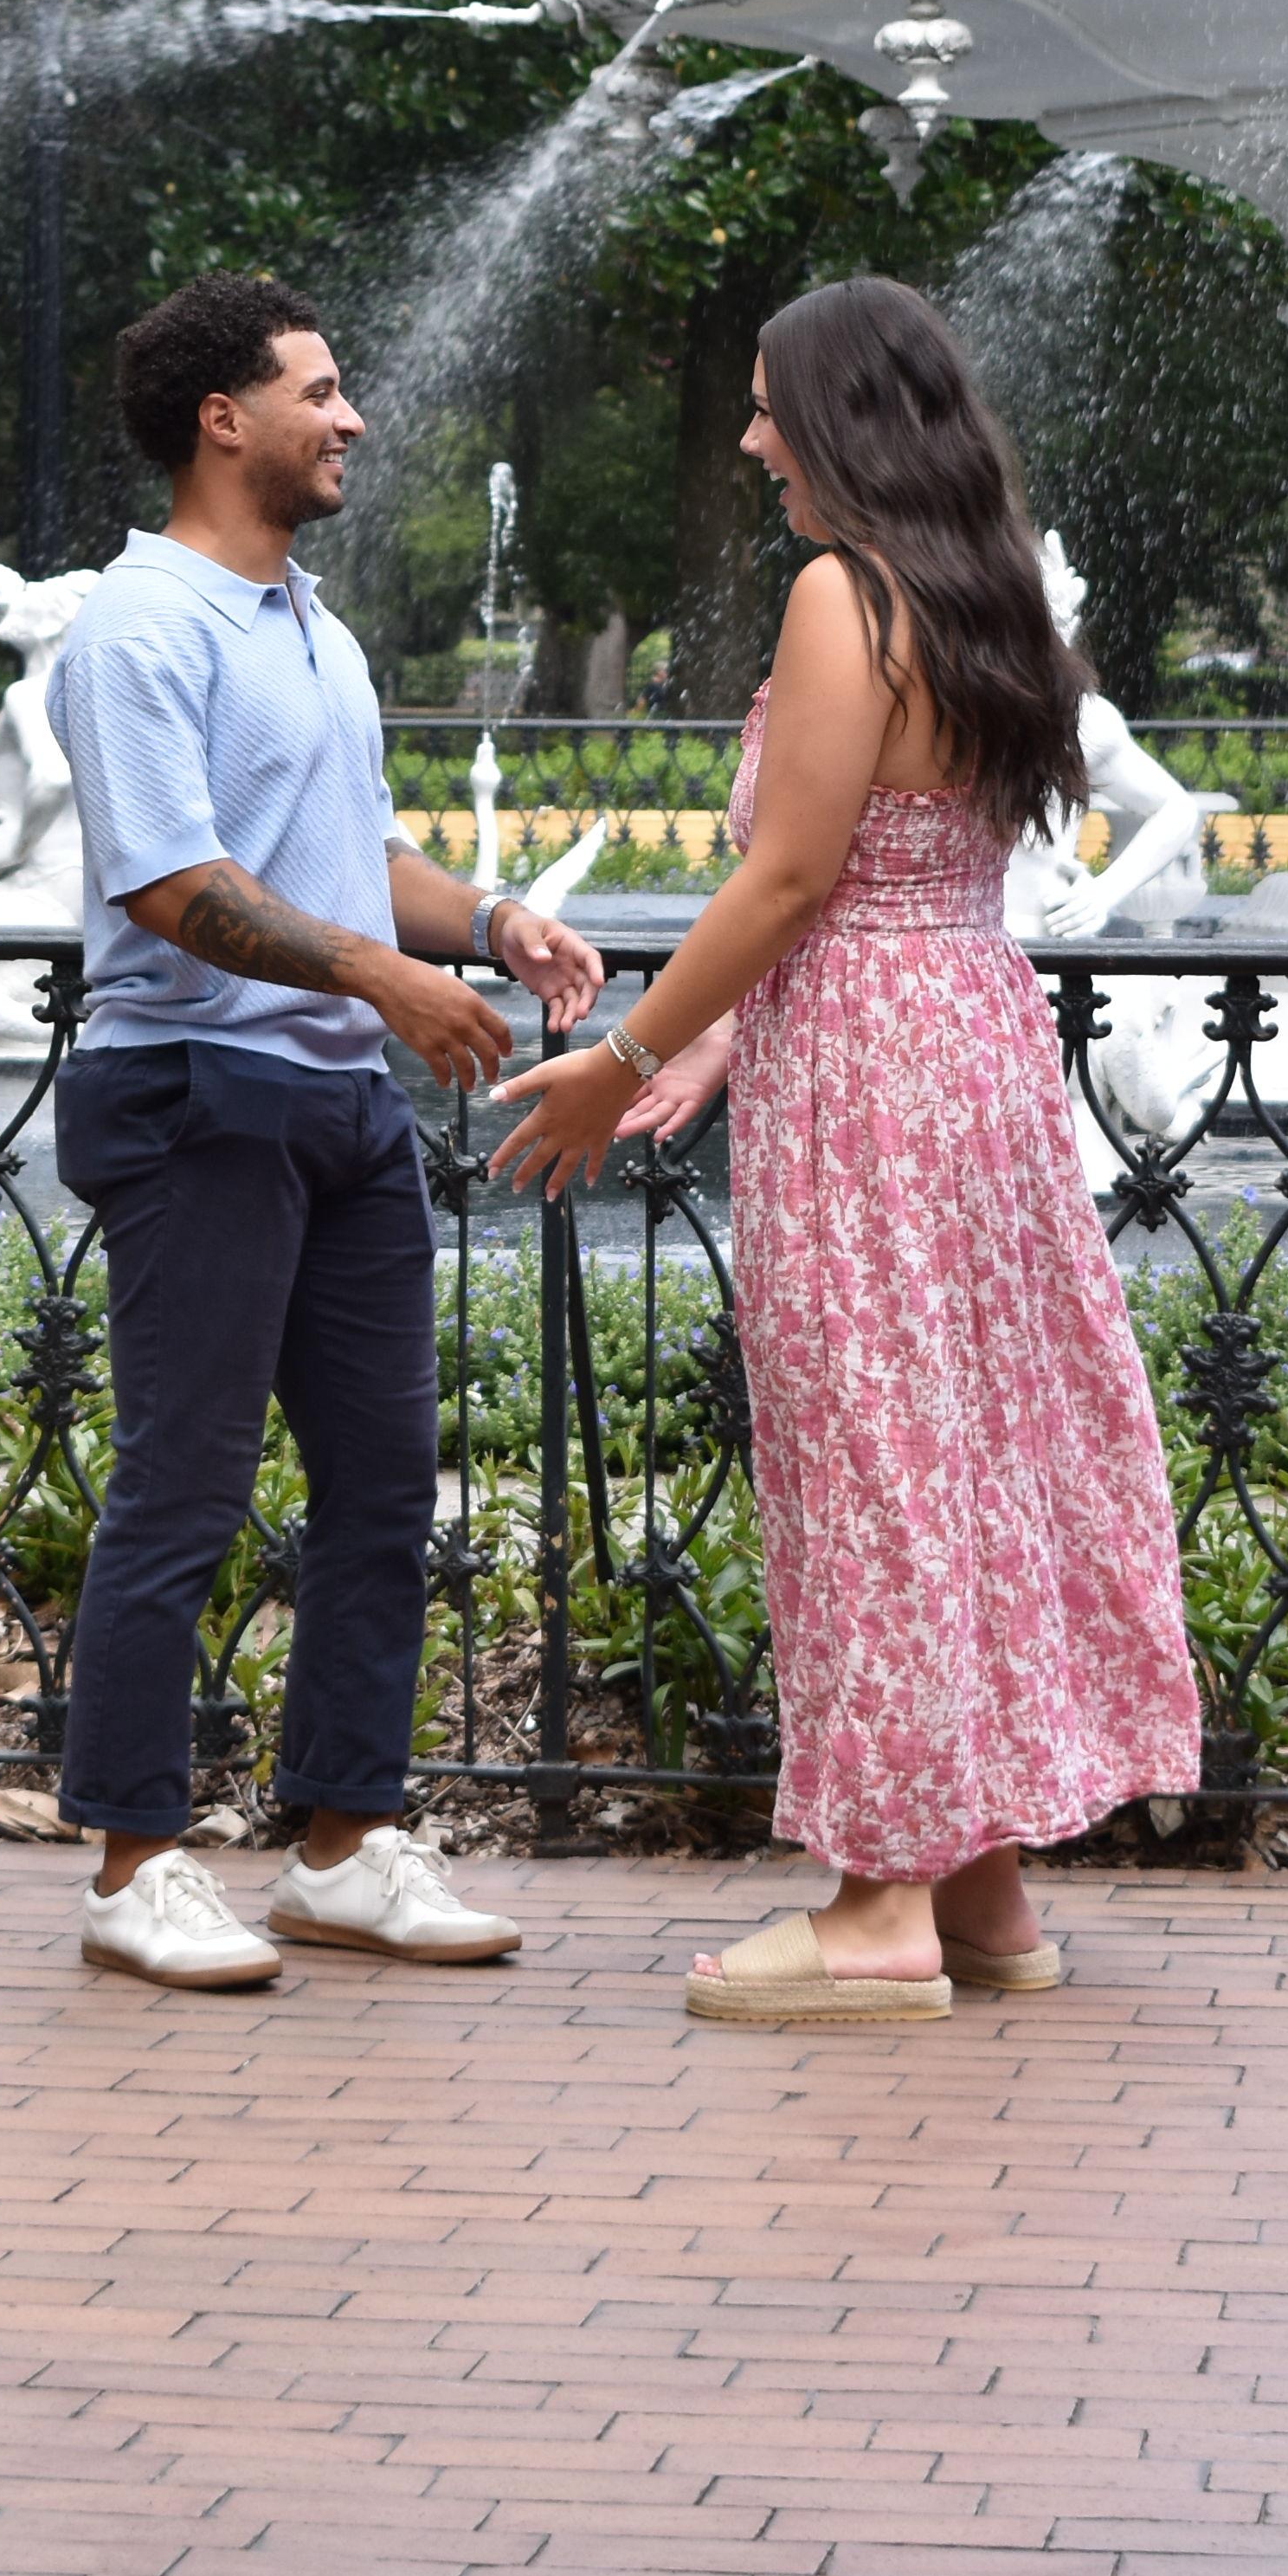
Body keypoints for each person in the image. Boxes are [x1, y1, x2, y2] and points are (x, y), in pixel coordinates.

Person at [487, 276, 1204, 2023]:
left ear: (843, 423)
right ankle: (984, 1891)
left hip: (874, 1087)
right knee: (970, 1450)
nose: (750, 442)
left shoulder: (843, 595)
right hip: (972, 1051)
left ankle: (879, 1907)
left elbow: (797, 876)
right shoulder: (981, 593)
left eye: (768, 408)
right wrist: (726, 1038)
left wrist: (621, 1052)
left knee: (874, 1462)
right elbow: (904, 878)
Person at [44, 272, 610, 1992]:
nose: (350, 416)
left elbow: (355, 856)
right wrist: (380, 976)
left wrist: (491, 922)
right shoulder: (137, 626)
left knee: (380, 1487)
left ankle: (345, 1848)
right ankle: (133, 1868)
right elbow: (173, 886)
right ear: (224, 420)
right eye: (318, 389)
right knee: (184, 1487)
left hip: (339, 1104)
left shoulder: (313, 625)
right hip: (193, 1092)